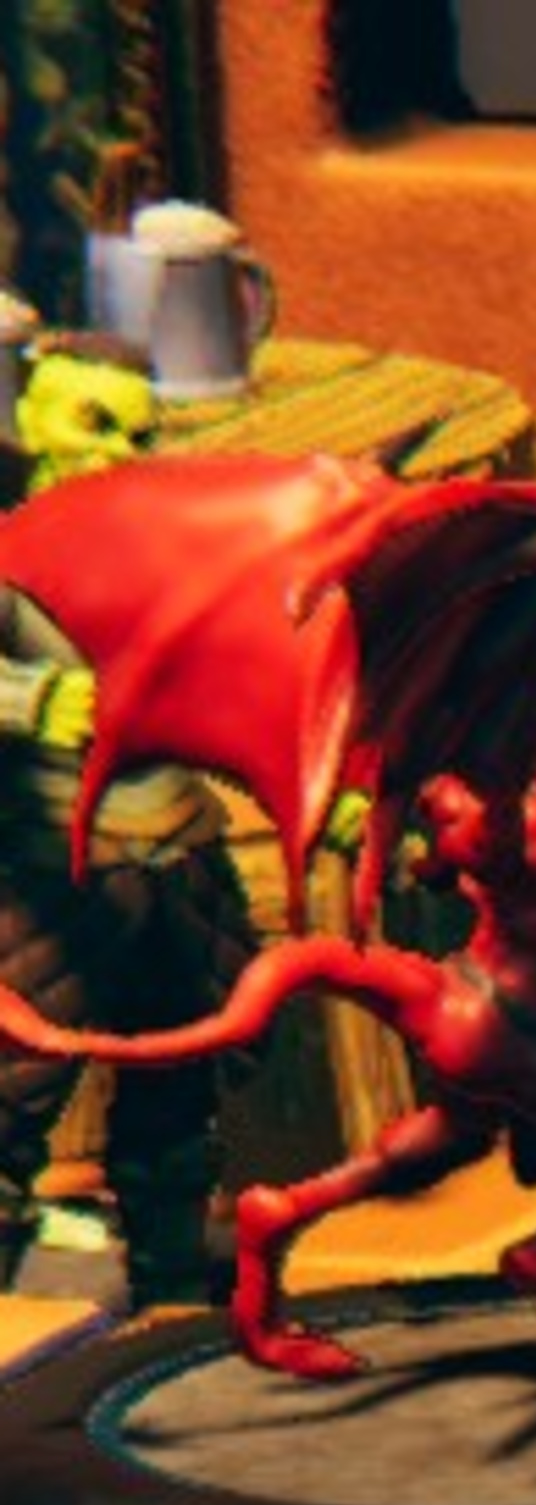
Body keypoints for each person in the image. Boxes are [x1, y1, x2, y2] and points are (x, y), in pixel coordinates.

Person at [0, 336, 257, 1310]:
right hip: (49, 864)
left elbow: (237, 690)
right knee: (13, 1090)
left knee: (180, 1090)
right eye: (91, 423)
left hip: (176, 857)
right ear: (31, 421)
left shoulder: (170, 565)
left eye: (137, 435)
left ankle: (173, 1286)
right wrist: (30, 702)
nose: (113, 452)